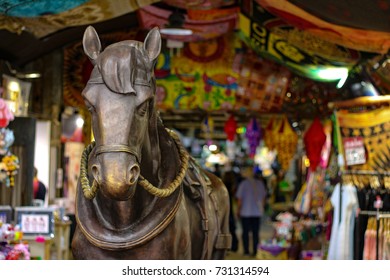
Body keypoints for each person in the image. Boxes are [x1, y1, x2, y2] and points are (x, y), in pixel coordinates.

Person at [235, 164, 267, 256]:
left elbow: (240, 199)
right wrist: (262, 207)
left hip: (245, 212)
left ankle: (246, 251)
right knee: (255, 233)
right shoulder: (260, 183)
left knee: (245, 233)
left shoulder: (243, 184)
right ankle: (255, 251)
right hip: (256, 212)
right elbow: (264, 198)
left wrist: (238, 210)